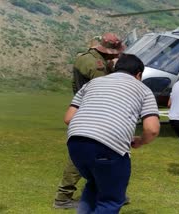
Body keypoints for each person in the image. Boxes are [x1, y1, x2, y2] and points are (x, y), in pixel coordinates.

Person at [65, 54, 160, 213]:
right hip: (109, 147)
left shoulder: (92, 83)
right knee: (111, 200)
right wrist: (140, 141)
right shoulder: (143, 89)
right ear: (138, 74)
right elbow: (152, 129)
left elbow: (68, 118)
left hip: (75, 143)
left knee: (94, 185)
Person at [53, 32, 126, 209]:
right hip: (93, 110)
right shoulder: (97, 66)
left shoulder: (85, 57)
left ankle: (108, 192)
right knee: (83, 155)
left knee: (98, 152)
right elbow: (104, 89)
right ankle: (63, 196)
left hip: (82, 107)